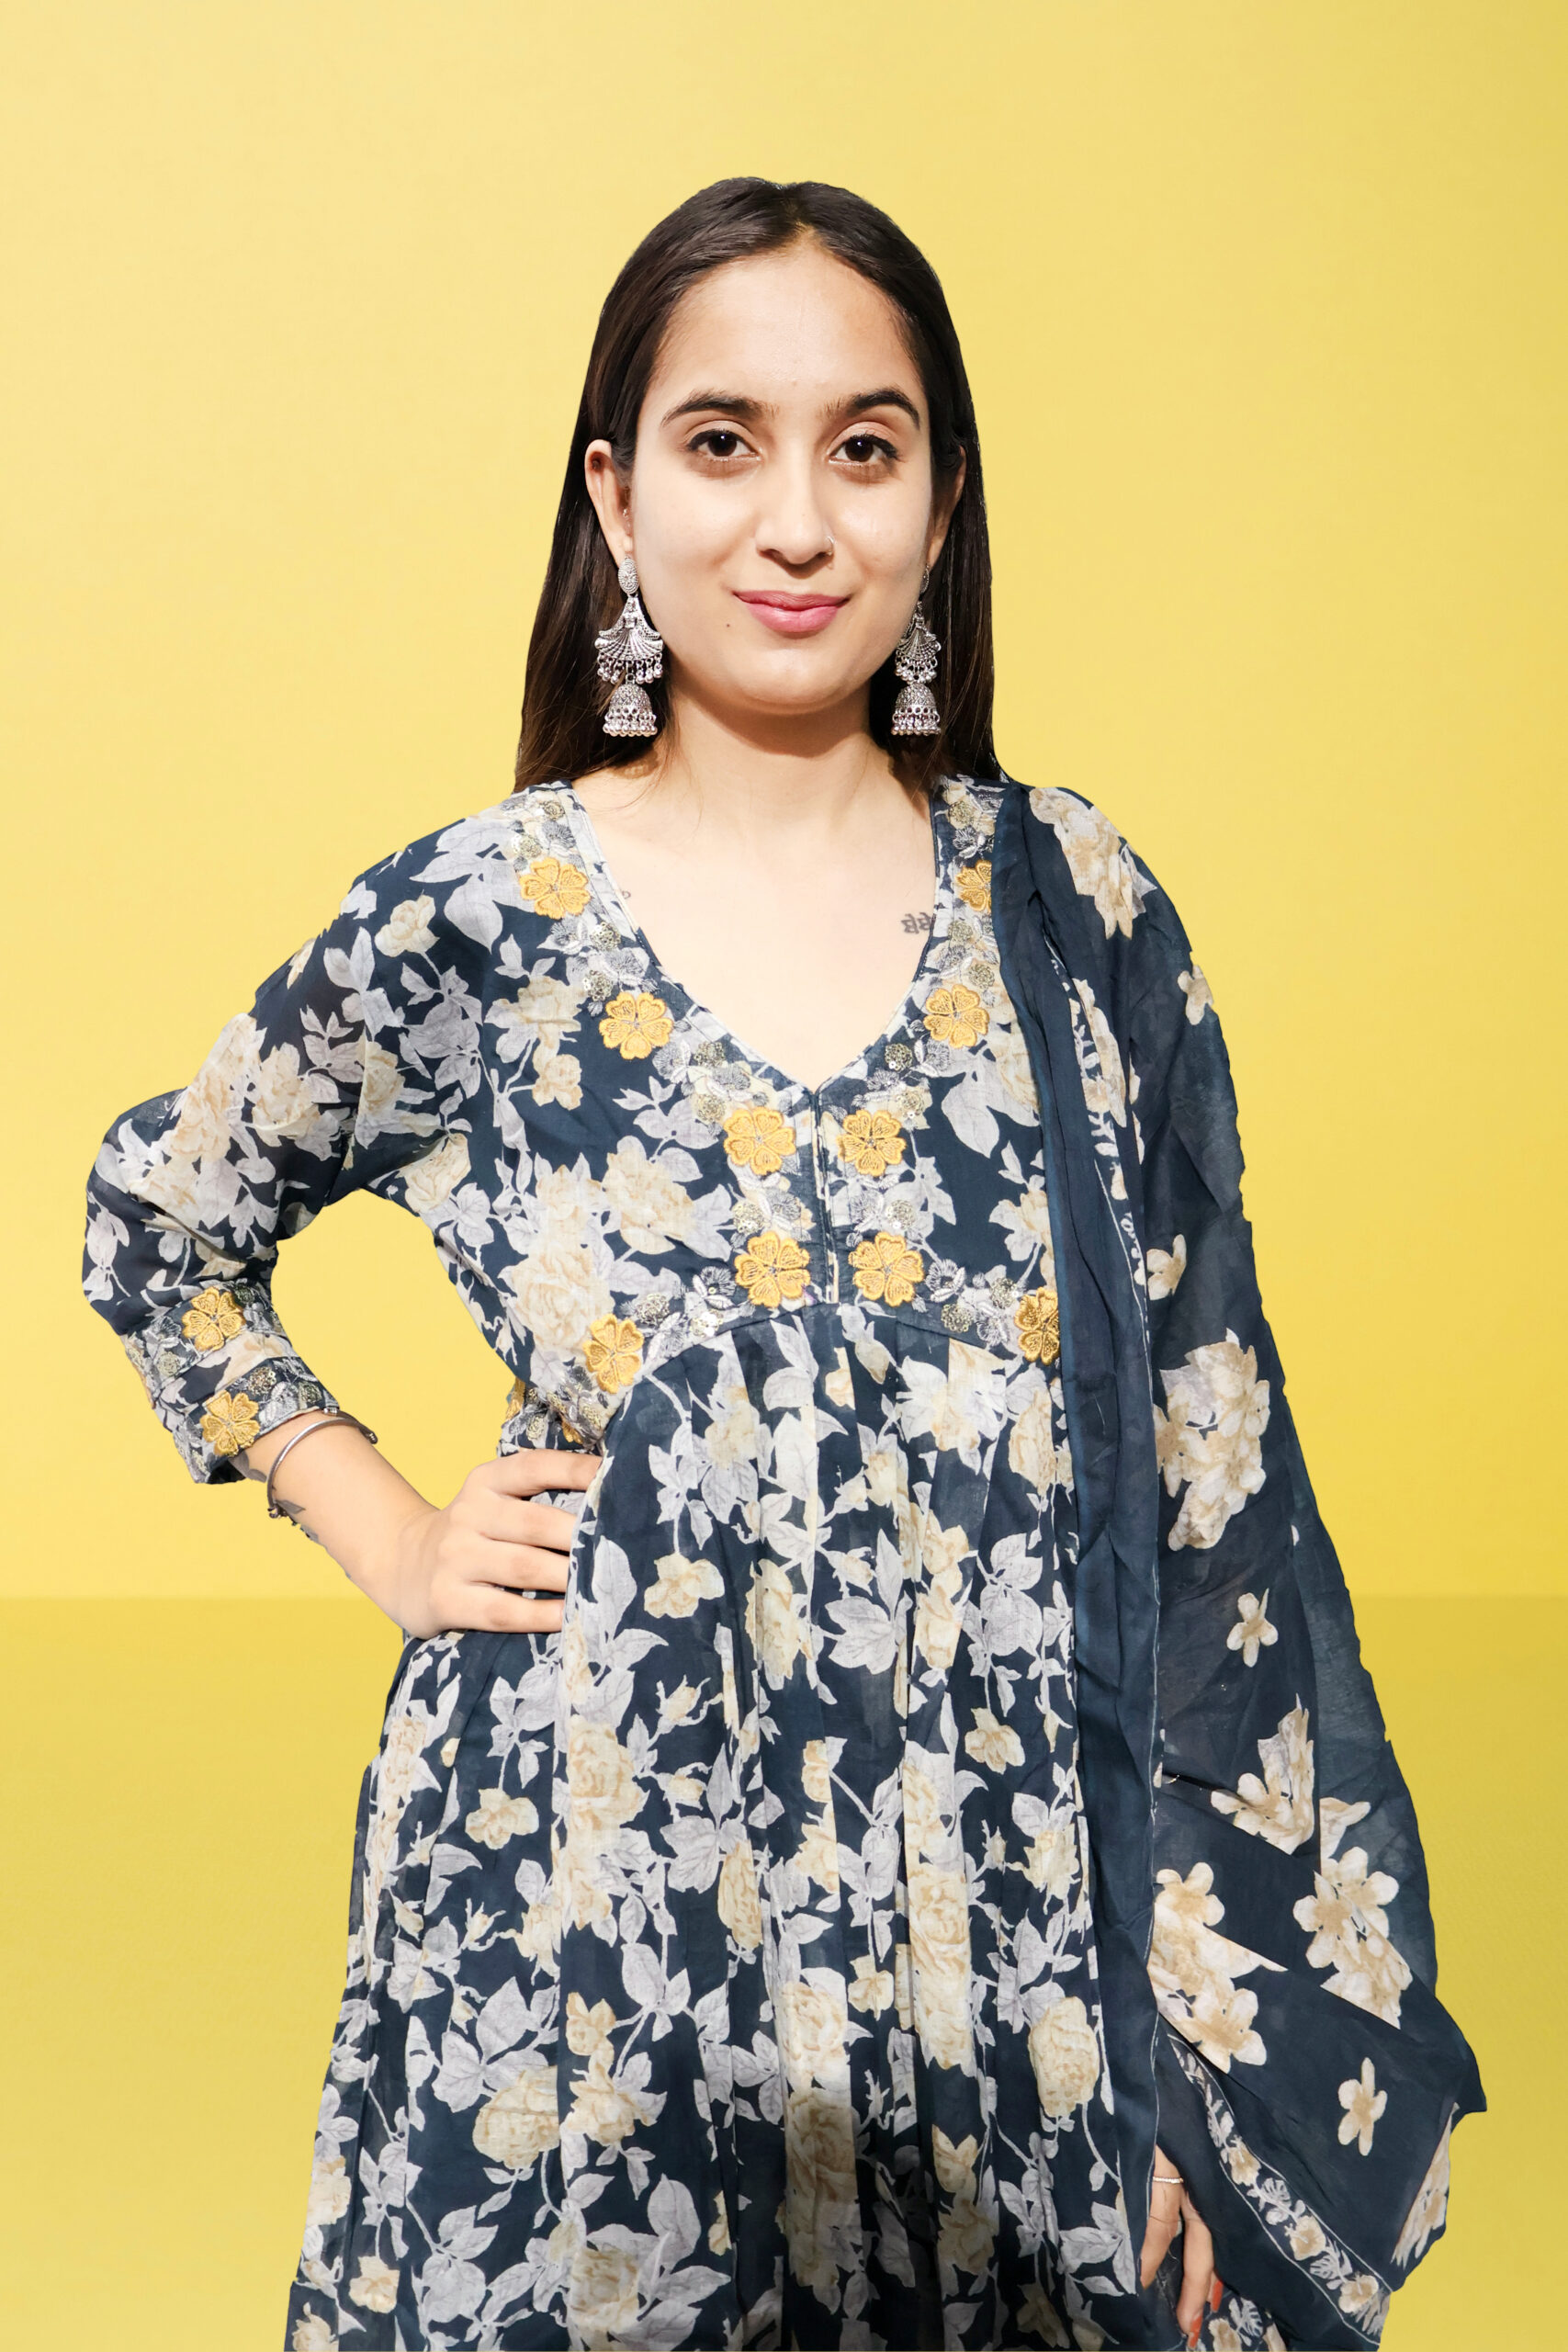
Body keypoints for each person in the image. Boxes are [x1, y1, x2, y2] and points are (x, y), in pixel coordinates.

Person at [83, 179, 1481, 2352]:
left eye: (865, 444)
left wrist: (1197, 2058)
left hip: (1010, 1968)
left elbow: (1214, 1496)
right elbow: (162, 1218)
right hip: (585, 1957)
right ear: (614, 496)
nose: (796, 521)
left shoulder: (1073, 913)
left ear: (940, 504)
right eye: (722, 442)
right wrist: (383, 1523)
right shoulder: (485, 917)